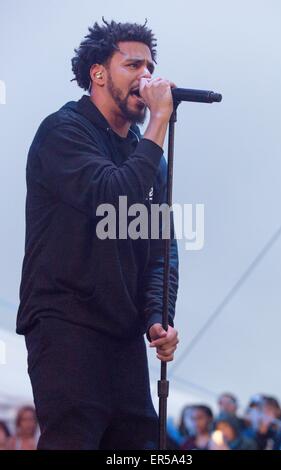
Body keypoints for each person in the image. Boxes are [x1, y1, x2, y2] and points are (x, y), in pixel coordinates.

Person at [16, 18, 179, 450]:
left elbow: (161, 249)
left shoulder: (148, 158)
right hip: (65, 325)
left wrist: (159, 316)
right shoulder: (63, 131)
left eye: (150, 67)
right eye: (133, 65)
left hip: (122, 335)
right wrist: (159, 121)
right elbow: (111, 193)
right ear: (99, 73)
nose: (146, 77)